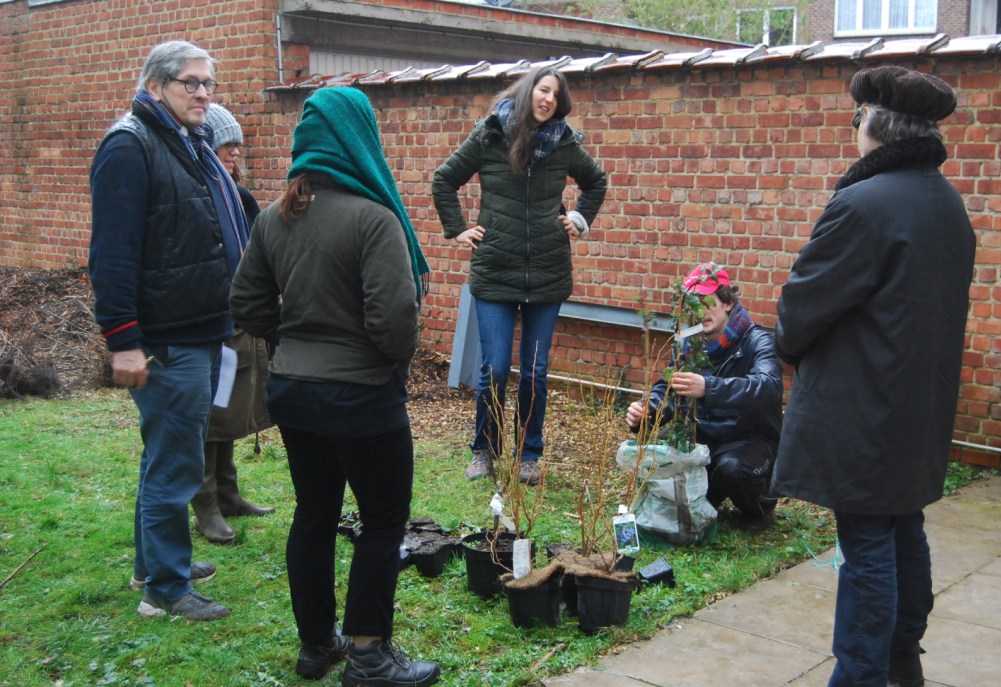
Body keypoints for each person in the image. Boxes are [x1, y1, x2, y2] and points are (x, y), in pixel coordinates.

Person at [771, 66, 975, 687]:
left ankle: (861, 675)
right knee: (902, 526)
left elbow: (802, 307)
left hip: (866, 406)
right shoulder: (945, 200)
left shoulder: (863, 203)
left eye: (855, 118)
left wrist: (790, 345)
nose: (853, 129)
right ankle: (901, 661)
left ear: (874, 126)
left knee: (866, 548)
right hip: (917, 404)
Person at [230, 87, 439, 686]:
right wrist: (387, 365)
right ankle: (370, 655)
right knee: (381, 519)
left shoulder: (274, 217)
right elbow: (394, 321)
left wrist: (292, 344)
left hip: (294, 392)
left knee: (315, 513)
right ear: (359, 138)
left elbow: (245, 301)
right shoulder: (376, 219)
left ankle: (317, 647)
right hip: (362, 395)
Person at [89, 40, 246, 621]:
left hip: (201, 328)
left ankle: (151, 564)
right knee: (177, 463)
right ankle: (166, 590)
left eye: (208, 83)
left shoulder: (186, 142)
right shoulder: (130, 146)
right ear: (155, 86)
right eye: (190, 83)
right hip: (167, 337)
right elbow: (112, 254)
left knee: (166, 456)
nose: (204, 93)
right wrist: (124, 340)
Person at [432, 66, 607, 485]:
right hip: (495, 272)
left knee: (534, 370)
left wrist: (579, 219)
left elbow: (596, 181)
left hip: (547, 272)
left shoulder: (564, 143)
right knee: (495, 367)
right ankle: (484, 450)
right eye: (543, 91)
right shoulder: (490, 135)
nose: (548, 100)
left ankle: (529, 453)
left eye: (556, 96)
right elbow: (444, 179)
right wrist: (458, 228)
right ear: (529, 91)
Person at [625, 263, 783, 532]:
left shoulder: (758, 341)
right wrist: (648, 410)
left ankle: (759, 508)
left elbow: (768, 386)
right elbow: (668, 390)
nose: (700, 311)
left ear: (728, 304)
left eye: (708, 302)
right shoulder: (687, 344)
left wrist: (709, 388)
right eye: (694, 304)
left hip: (750, 440)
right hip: (704, 441)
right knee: (659, 458)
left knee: (734, 469)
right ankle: (707, 495)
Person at [189, 103, 274, 545]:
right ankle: (204, 504)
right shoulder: (197, 194)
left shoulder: (239, 197)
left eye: (238, 142)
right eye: (225, 142)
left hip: (236, 321)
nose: (235, 150)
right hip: (206, 322)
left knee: (230, 407)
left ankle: (227, 491)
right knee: (209, 413)